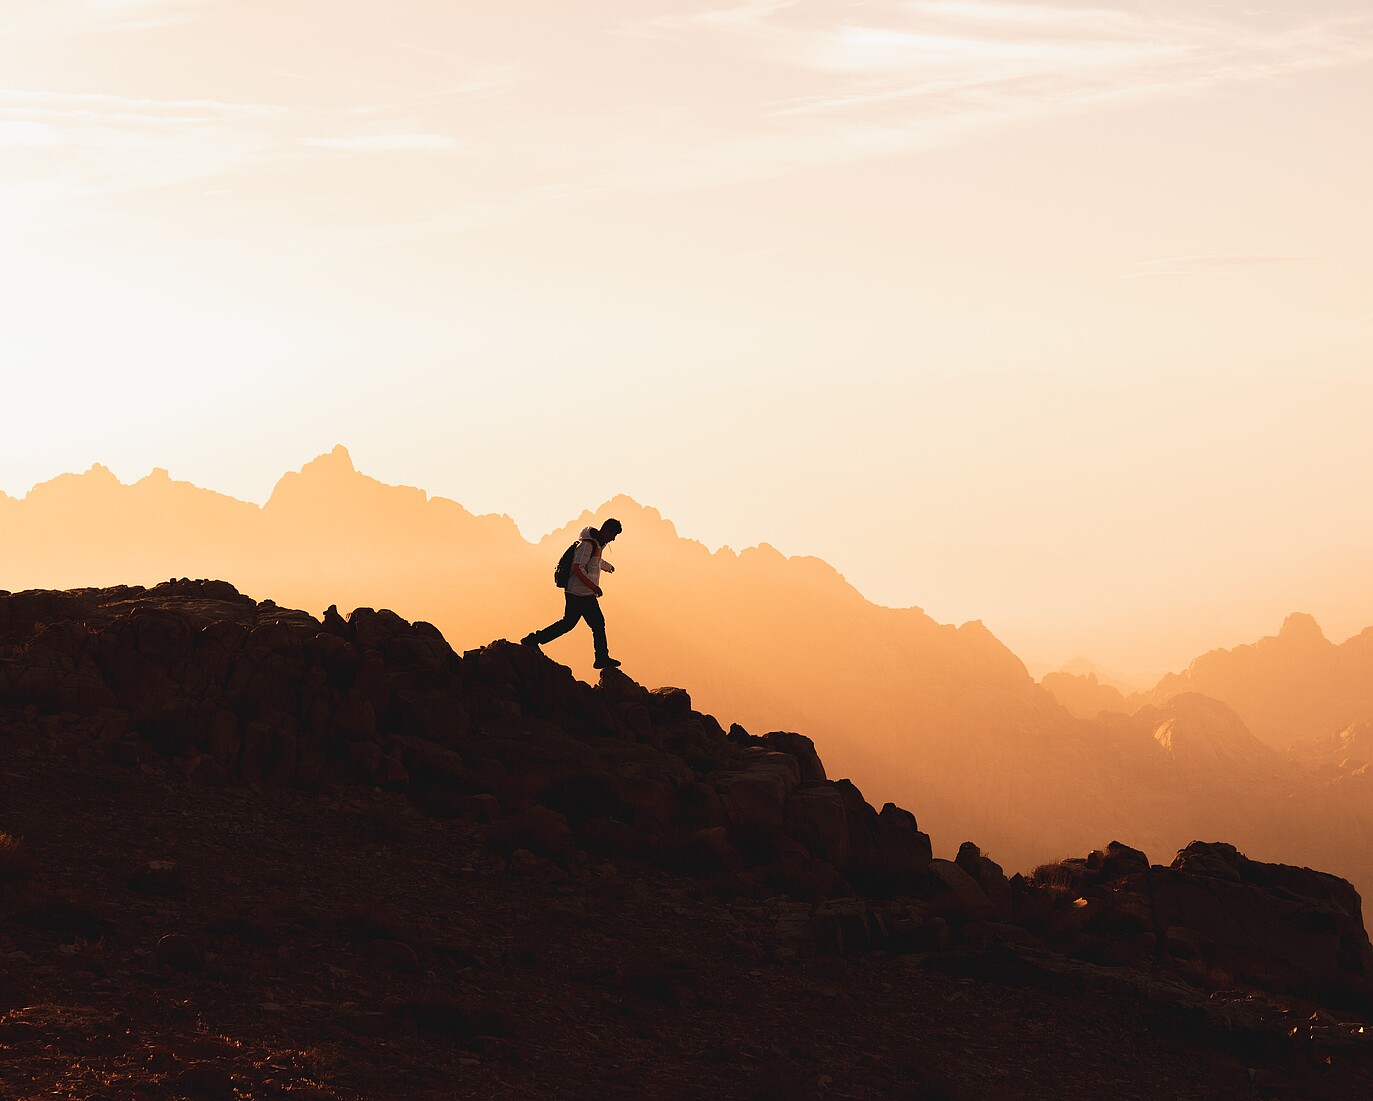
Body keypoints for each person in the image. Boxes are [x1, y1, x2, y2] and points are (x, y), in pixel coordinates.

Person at [522, 517, 623, 669]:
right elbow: (577, 567)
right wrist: (593, 587)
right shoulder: (587, 544)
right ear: (607, 531)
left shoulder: (595, 544)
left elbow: (594, 562)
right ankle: (601, 658)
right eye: (613, 535)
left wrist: (607, 567)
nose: (614, 539)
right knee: (597, 624)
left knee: (568, 624)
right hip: (580, 593)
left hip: (580, 593)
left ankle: (533, 639)